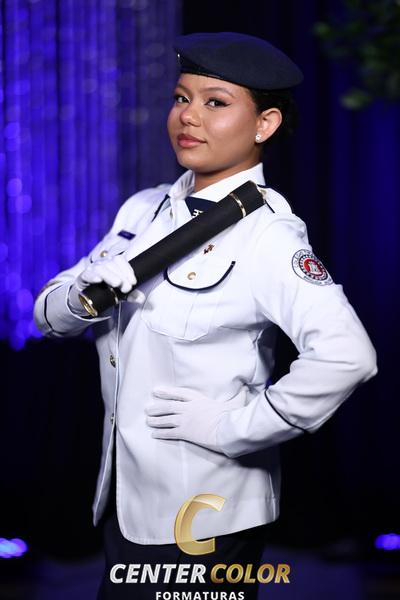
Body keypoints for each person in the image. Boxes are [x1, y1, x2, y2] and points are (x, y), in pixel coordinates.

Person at [33, 32, 377, 599]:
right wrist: (85, 293)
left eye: (215, 102)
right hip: (128, 497)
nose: (188, 116)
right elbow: (49, 317)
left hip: (205, 510)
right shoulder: (143, 210)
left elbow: (347, 357)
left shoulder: (269, 235)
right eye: (181, 97)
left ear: (264, 124)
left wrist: (233, 428)